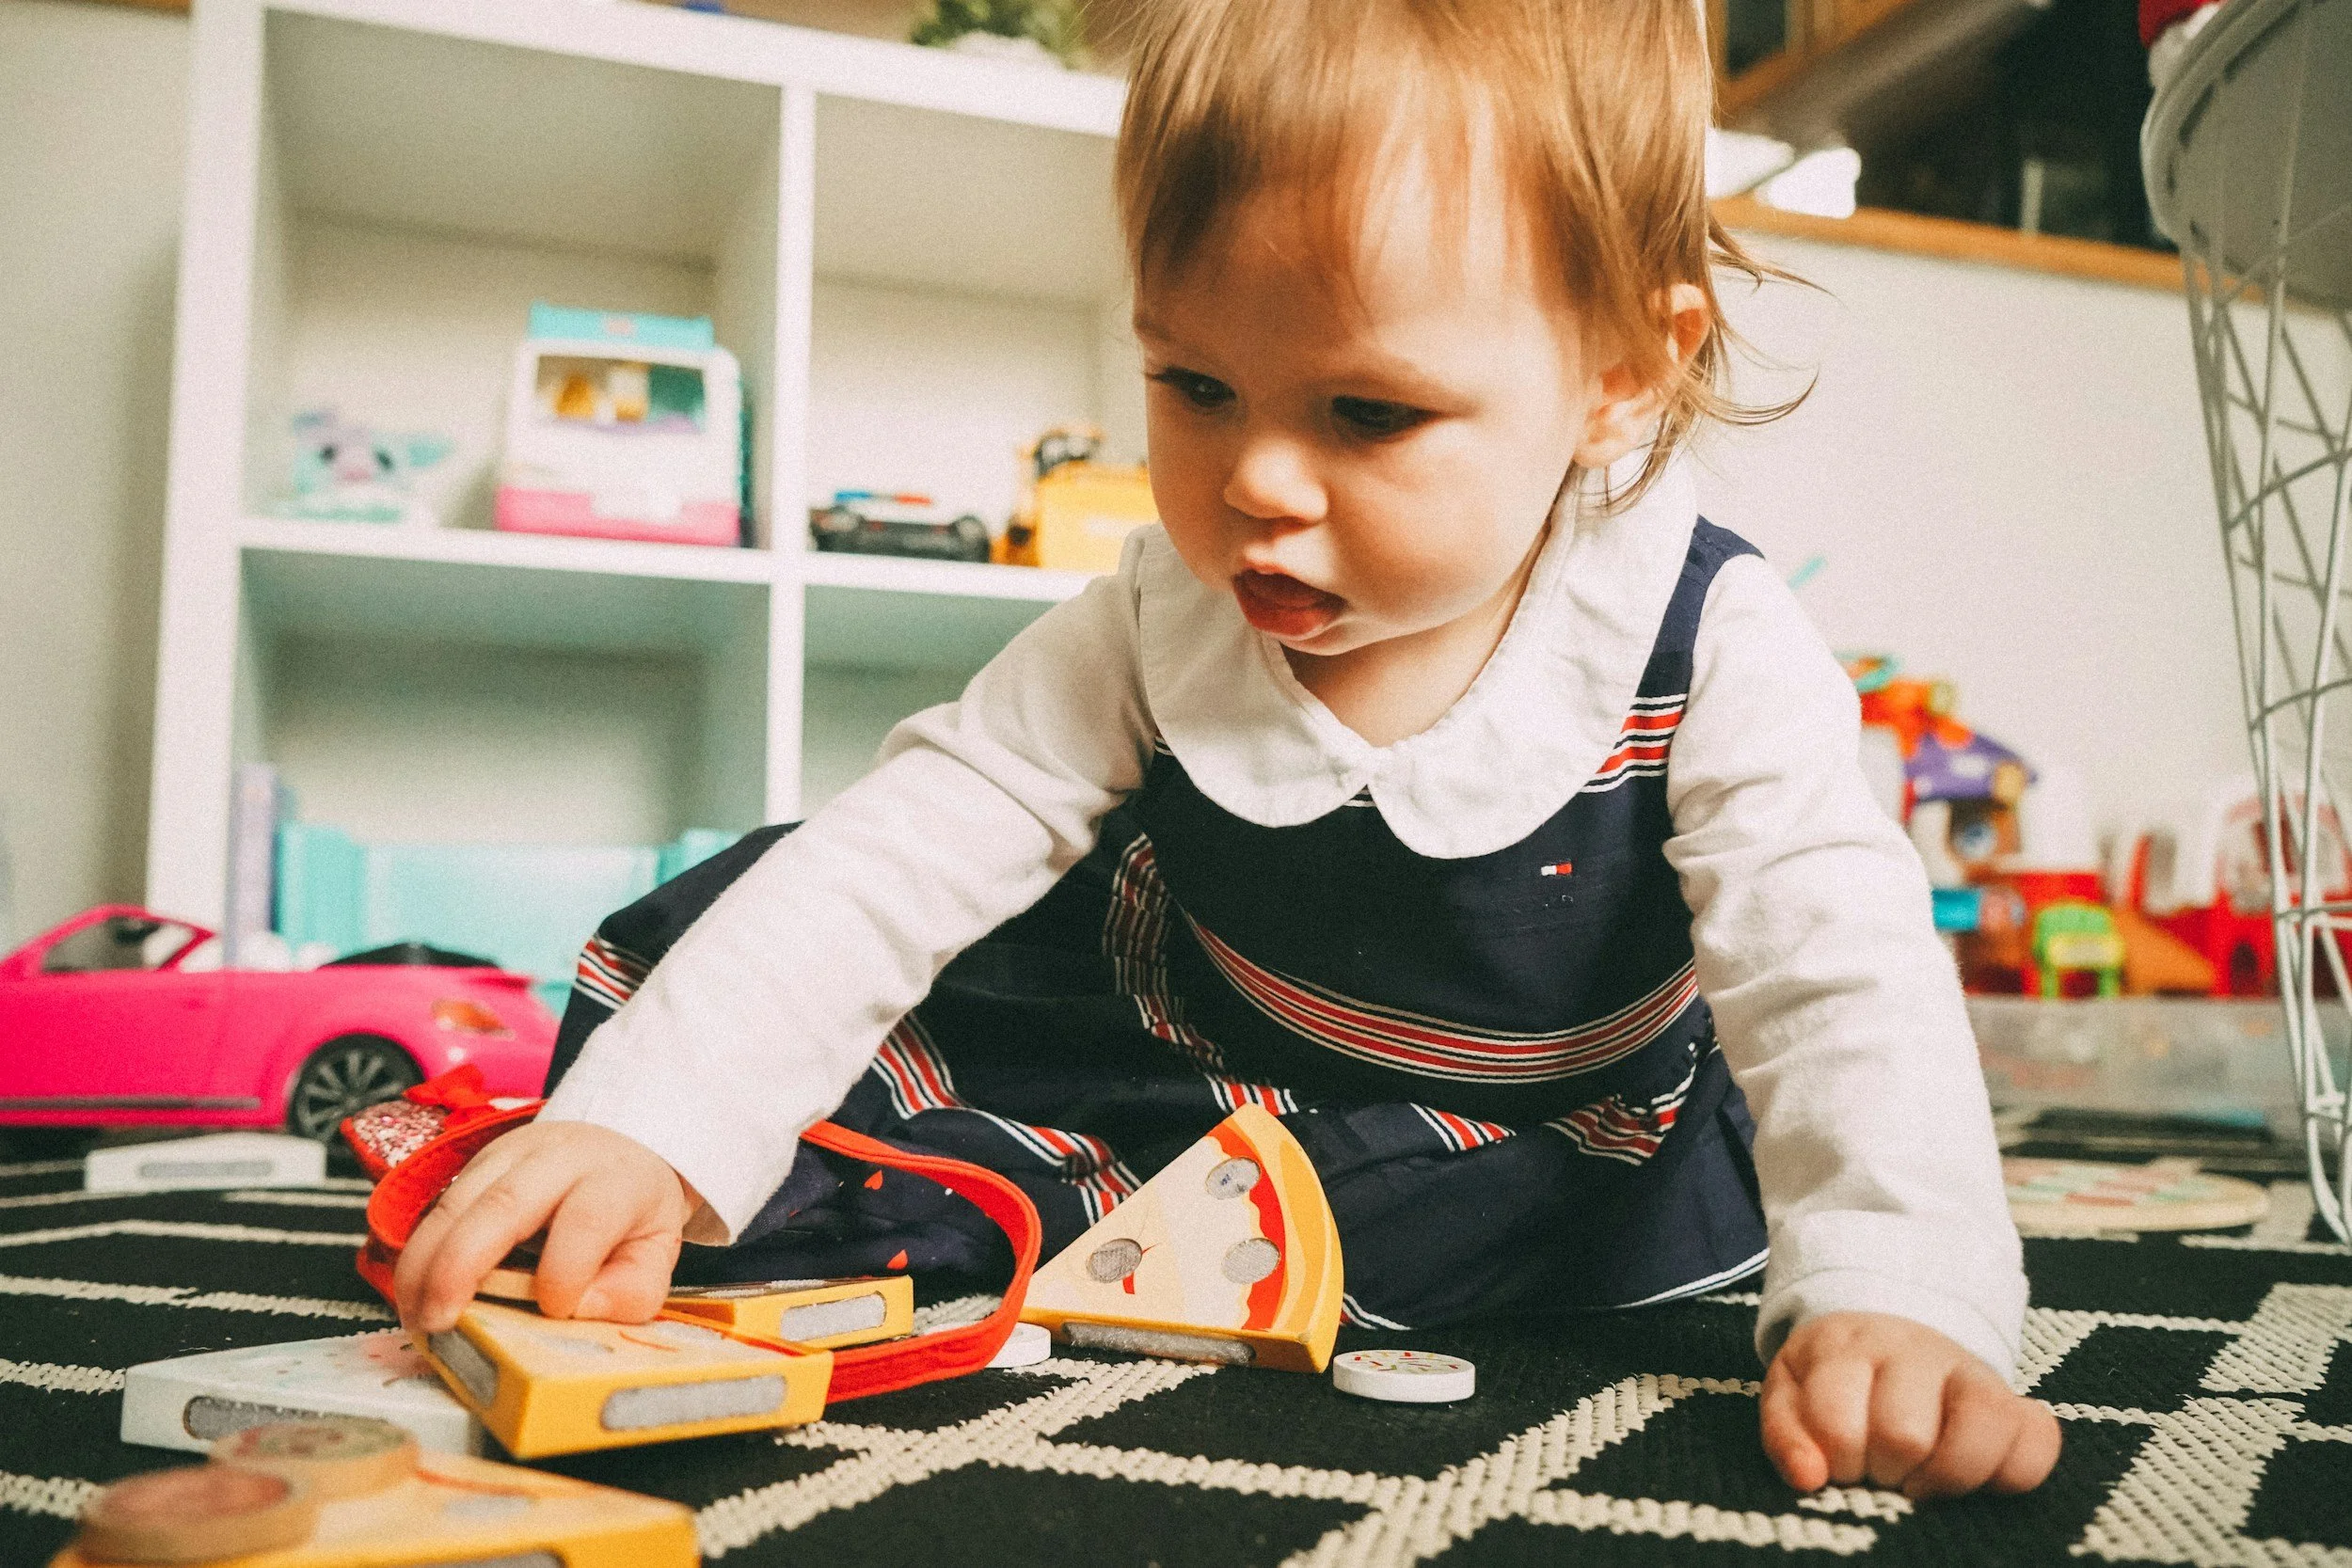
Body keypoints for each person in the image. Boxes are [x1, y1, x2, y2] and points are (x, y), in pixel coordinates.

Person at [395, 0, 2061, 1500]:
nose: (1257, 482)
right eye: (1194, 384)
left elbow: (1836, 964)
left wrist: (1903, 1291)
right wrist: (660, 1123)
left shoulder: (1701, 636)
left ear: (1622, 374)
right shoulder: (1157, 611)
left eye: (1367, 412)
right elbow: (912, 836)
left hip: (1543, 1133)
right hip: (1211, 1051)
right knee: (782, 979)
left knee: (1380, 1230)